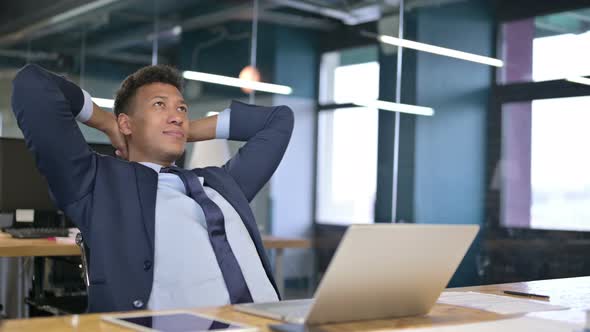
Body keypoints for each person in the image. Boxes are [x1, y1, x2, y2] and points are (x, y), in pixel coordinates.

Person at [11, 64, 294, 313]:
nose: (177, 115)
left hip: (270, 320)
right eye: (160, 105)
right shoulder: (97, 183)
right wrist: (108, 123)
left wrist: (185, 129)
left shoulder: (223, 183)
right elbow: (32, 85)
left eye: (181, 108)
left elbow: (279, 120)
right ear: (127, 122)